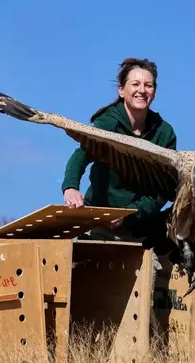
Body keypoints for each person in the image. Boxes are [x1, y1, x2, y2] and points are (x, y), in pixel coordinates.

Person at [61, 56, 177, 248]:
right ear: (122, 90)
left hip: (141, 228)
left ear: (154, 92)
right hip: (99, 221)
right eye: (135, 84)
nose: (142, 90)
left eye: (148, 85)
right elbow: (81, 155)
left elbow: (162, 190)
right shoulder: (108, 123)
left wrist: (130, 212)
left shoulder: (165, 134)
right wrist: (70, 187)